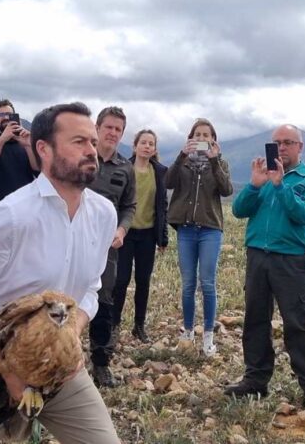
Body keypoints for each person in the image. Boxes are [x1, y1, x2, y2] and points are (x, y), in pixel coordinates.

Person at [0, 102, 120, 443]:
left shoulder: (103, 214)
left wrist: (71, 334)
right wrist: (7, 369)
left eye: (92, 141)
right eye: (79, 142)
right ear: (43, 149)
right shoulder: (10, 217)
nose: (92, 150)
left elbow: (90, 287)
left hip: (58, 363)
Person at [225, 124, 305, 413]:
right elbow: (239, 210)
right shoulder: (265, 177)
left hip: (290, 260)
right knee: (255, 319)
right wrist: (255, 185)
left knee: (298, 324)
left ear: (300, 147)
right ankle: (255, 379)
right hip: (258, 255)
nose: (281, 148)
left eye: (288, 142)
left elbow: (303, 213)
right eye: (276, 143)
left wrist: (280, 185)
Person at [164, 118, 233, 356]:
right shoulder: (182, 163)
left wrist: (214, 161)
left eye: (206, 135)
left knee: (208, 282)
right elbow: (168, 182)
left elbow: (226, 190)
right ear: (190, 138)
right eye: (198, 135)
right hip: (186, 229)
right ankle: (187, 334)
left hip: (210, 229)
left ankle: (208, 337)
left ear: (213, 139)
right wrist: (181, 156)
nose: (202, 139)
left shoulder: (221, 163)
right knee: (187, 285)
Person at [87, 106, 136, 388]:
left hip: (108, 247)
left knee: (104, 300)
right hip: (74, 241)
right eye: (109, 127)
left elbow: (129, 205)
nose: (113, 133)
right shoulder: (82, 157)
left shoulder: (125, 168)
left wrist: (122, 229)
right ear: (97, 127)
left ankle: (101, 363)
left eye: (118, 129)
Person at [111, 129, 168, 344]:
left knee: (143, 281)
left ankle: (139, 326)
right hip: (125, 233)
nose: (146, 146)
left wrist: (162, 238)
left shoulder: (160, 172)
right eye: (143, 142)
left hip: (148, 234)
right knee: (121, 280)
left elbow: (162, 206)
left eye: (150, 143)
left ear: (154, 149)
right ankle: (114, 325)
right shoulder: (124, 168)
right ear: (135, 146)